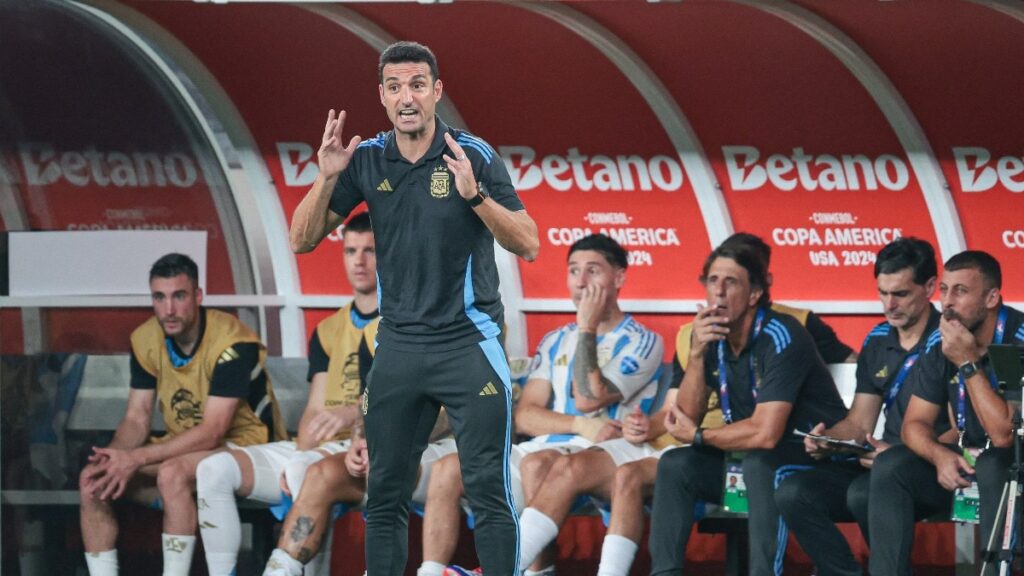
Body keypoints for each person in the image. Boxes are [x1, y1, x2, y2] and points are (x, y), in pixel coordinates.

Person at [287, 40, 539, 576]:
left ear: (436, 91)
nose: (407, 98)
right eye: (396, 87)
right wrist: (328, 175)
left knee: (489, 492)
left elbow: (528, 243)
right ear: (381, 96)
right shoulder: (367, 159)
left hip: (469, 345)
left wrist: (476, 196)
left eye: (418, 85)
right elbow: (301, 239)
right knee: (384, 497)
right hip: (399, 347)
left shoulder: (474, 154)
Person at [590, 231, 856, 576]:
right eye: (712, 280)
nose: (718, 290)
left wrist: (699, 436)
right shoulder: (709, 336)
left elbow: (766, 434)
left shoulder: (782, 334)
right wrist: (698, 355)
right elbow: (684, 417)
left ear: (755, 294)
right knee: (675, 464)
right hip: (751, 458)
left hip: (812, 459)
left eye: (731, 282)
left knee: (760, 464)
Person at [416, 234, 663, 576]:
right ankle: (430, 573)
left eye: (593, 271)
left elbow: (588, 397)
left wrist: (587, 329)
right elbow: (526, 415)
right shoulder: (554, 340)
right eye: (574, 271)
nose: (581, 281)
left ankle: (526, 571)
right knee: (449, 467)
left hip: (600, 454)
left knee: (540, 464)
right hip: (550, 445)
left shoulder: (644, 340)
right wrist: (578, 424)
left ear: (618, 278)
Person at [78, 253, 285, 576]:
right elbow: (137, 417)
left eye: (179, 296)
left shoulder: (233, 341)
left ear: (198, 296)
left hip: (248, 448)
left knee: (172, 473)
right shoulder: (146, 339)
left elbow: (214, 430)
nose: (169, 310)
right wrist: (116, 458)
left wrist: (136, 458)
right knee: (93, 480)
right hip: (185, 449)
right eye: (159, 297)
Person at [195, 212, 377, 576]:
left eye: (370, 250)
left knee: (302, 471)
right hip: (320, 448)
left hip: (366, 450)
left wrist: (348, 414)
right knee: (213, 469)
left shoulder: (403, 324)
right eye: (351, 250)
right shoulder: (327, 330)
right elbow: (314, 408)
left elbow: (398, 402)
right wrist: (307, 445)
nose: (359, 260)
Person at [774, 237, 951, 576]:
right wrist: (829, 439)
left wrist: (903, 454)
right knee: (794, 493)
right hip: (880, 463)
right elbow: (860, 422)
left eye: (900, 294)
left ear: (930, 286)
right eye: (883, 293)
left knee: (864, 491)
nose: (889, 304)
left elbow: (964, 428)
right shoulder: (877, 339)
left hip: (931, 466)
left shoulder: (950, 339)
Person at [263, 314, 459, 576]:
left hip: (453, 444)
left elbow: (458, 413)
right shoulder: (373, 332)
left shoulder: (472, 324)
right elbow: (368, 402)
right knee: (320, 474)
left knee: (387, 466)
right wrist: (359, 439)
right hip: (391, 444)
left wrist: (392, 439)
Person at [868, 250, 1023, 576]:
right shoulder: (943, 340)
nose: (947, 302)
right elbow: (914, 425)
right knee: (891, 466)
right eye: (944, 291)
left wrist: (967, 362)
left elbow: (1005, 435)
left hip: (1014, 462)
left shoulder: (1017, 339)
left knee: (994, 464)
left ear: (992, 298)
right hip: (971, 459)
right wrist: (939, 456)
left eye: (961, 292)